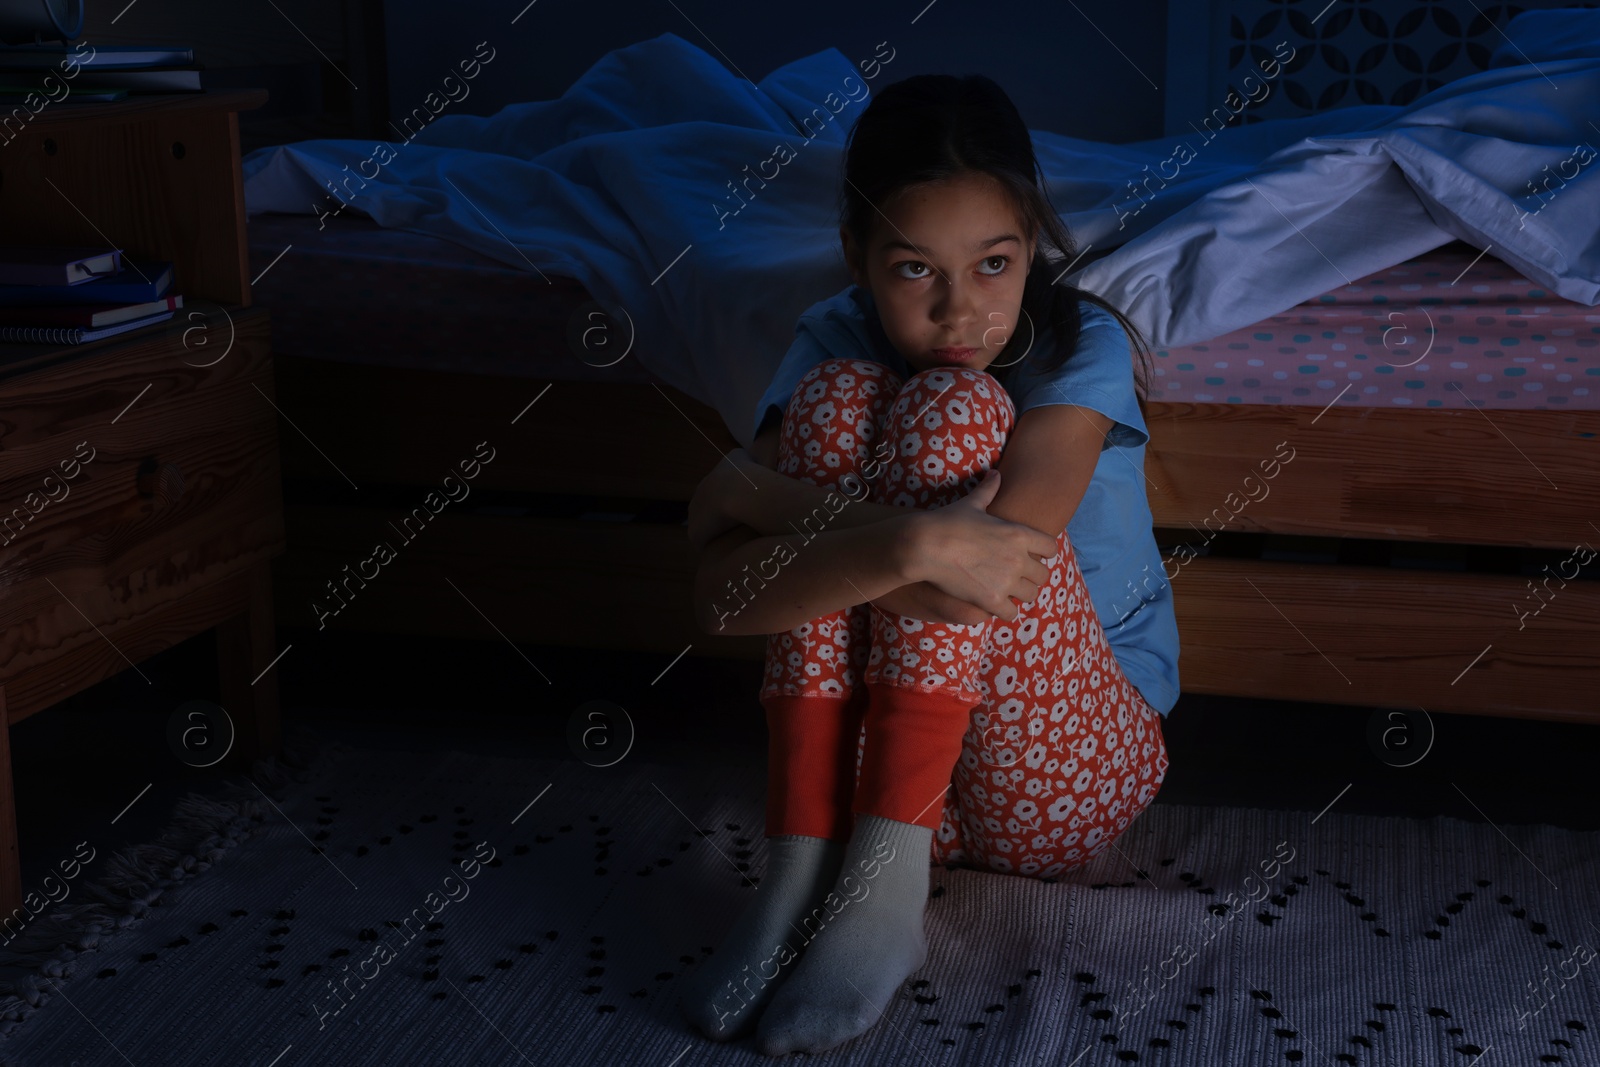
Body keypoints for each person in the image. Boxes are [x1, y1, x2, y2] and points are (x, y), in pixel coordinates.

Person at [680, 72, 1179, 1056]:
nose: (962, 312)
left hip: (1063, 776)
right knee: (834, 398)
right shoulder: (833, 340)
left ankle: (882, 899)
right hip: (867, 779)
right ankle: (799, 870)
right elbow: (716, 599)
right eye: (914, 270)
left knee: (953, 408)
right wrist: (910, 541)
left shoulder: (1079, 346)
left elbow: (993, 573)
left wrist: (748, 500)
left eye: (993, 263)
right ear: (857, 258)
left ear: (1031, 243)